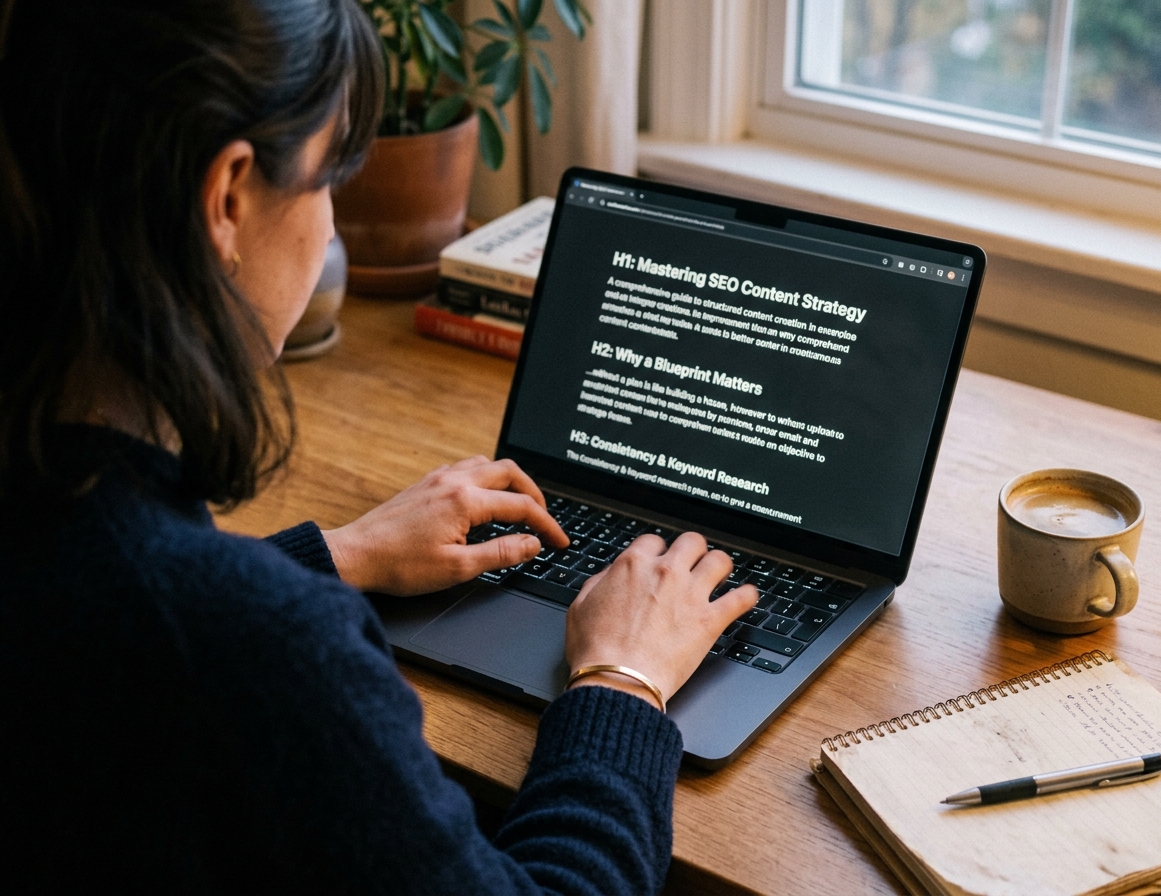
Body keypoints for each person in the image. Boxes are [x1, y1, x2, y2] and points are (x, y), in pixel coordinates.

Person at [0, 1, 758, 891]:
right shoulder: (269, 653)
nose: (327, 226)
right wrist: (624, 678)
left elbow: (103, 599)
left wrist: (333, 555)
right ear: (230, 197)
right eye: (328, 180)